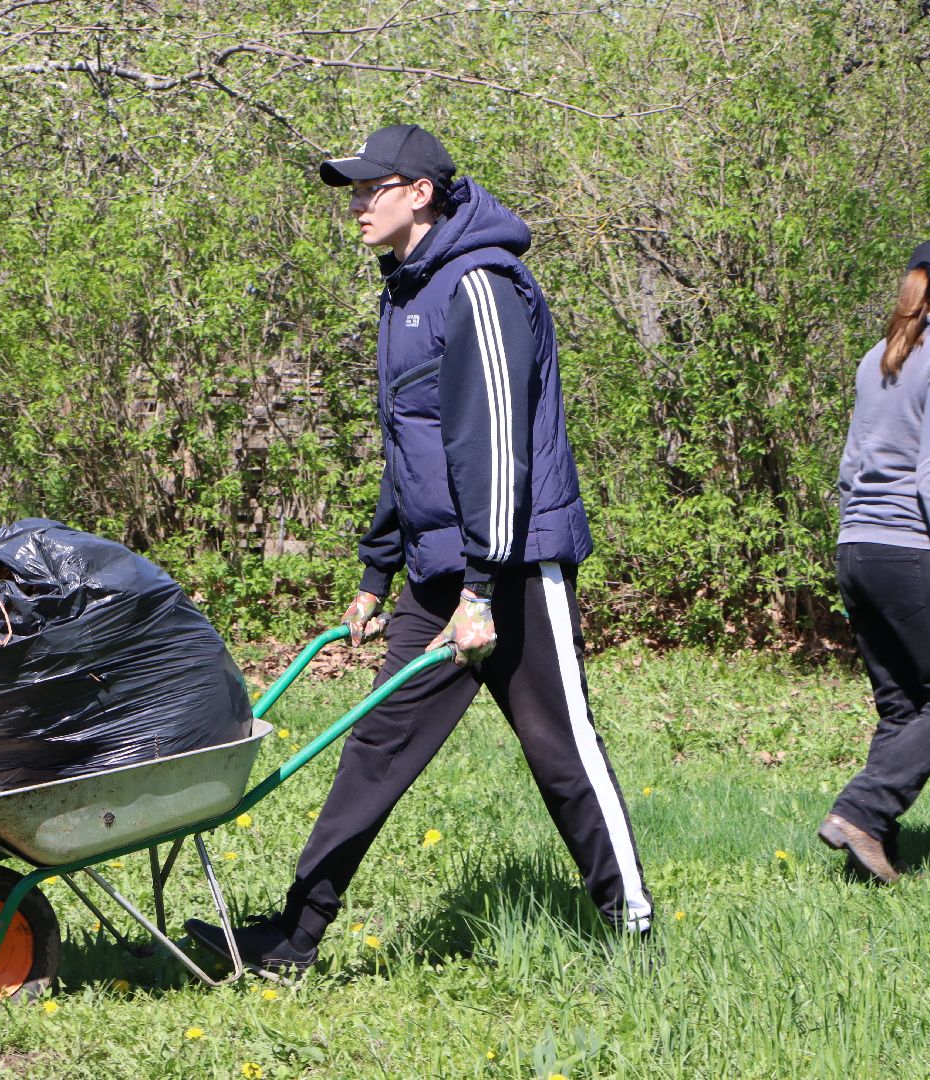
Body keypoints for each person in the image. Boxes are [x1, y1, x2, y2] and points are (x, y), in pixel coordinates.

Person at [186, 124, 653, 972]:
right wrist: (377, 572)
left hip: (512, 568)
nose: (357, 205)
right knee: (378, 745)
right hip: (443, 570)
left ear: (421, 193)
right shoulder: (407, 292)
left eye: (373, 189)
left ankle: (635, 933)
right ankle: (294, 939)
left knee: (562, 752)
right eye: (354, 192)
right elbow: (414, 452)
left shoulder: (481, 285)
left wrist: (483, 589)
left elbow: (496, 448)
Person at [818, 235, 930, 884]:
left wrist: (853, 553)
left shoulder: (878, 356)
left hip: (857, 549)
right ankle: (861, 811)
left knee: (903, 706)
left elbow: (851, 469)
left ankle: (871, 851)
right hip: (906, 548)